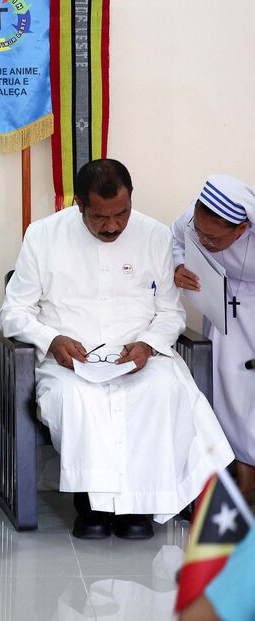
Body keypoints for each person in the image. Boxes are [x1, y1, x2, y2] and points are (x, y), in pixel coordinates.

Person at [0, 159, 233, 540]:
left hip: (140, 356)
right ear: (78, 206)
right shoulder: (42, 236)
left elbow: (171, 313)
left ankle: (139, 505)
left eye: (121, 214)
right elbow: (13, 312)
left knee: (161, 391)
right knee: (77, 398)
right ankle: (91, 506)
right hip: (70, 361)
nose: (112, 226)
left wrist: (148, 345)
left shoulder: (156, 236)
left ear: (130, 200)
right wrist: (50, 340)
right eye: (100, 218)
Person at [171, 175, 255, 499]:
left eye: (215, 239)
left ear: (242, 229)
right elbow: (175, 240)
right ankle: (242, 475)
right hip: (223, 315)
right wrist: (179, 266)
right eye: (201, 233)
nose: (204, 241)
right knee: (227, 393)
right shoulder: (193, 221)